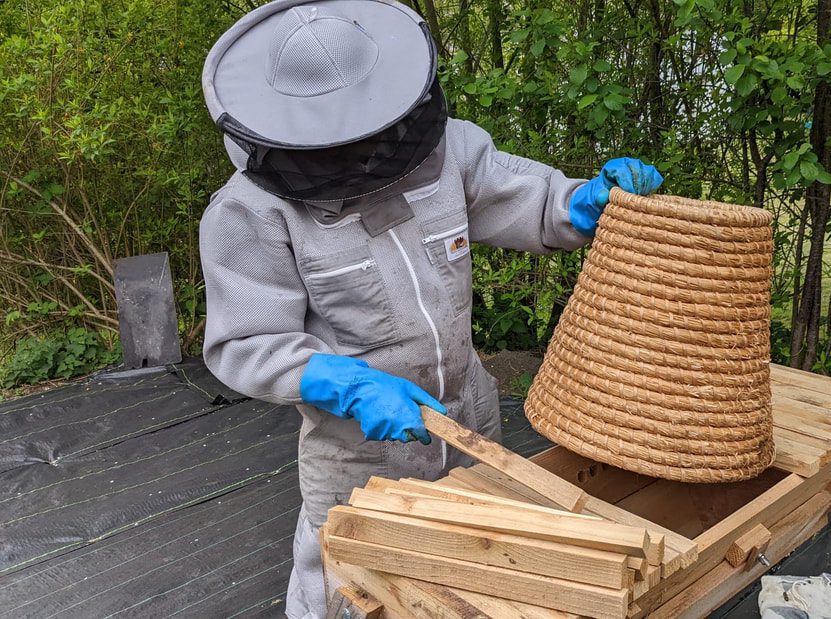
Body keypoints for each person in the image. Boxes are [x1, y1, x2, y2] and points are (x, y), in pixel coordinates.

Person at [198, 1, 663, 616]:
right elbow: (246, 342)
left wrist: (581, 201)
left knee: (483, 573)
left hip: (469, 417)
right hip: (359, 452)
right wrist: (348, 386)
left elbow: (524, 196)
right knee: (353, 584)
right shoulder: (247, 213)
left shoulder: (450, 153)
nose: (362, 152)